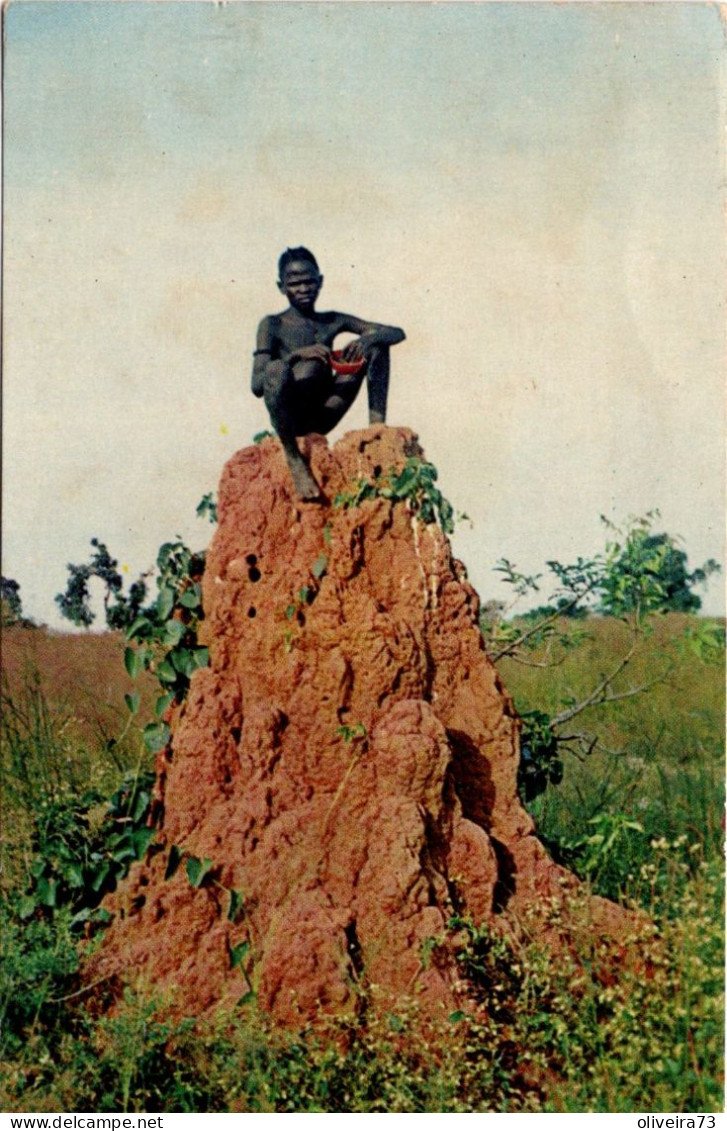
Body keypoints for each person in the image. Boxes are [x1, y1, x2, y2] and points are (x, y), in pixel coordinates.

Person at [251, 247, 405, 499]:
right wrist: (297, 356)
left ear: (320, 281)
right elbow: (257, 384)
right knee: (276, 369)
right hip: (292, 419)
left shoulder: (332, 320)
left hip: (326, 412)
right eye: (295, 284)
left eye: (309, 281)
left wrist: (367, 340)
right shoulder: (272, 325)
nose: (303, 289)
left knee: (377, 344)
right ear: (281, 287)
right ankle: (294, 458)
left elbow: (397, 332)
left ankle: (378, 431)